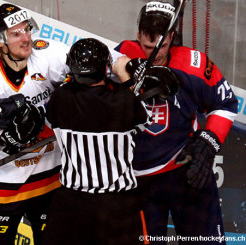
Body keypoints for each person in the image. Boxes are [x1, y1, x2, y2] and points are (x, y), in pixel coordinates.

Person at [115, 1, 238, 244]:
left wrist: (209, 141)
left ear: (172, 36)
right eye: (148, 45)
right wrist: (119, 68)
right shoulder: (121, 54)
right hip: (138, 181)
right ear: (138, 34)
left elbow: (226, 103)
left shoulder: (194, 64)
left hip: (187, 171)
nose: (154, 53)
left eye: (162, 45)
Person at [39, 38, 180, 245]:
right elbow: (144, 120)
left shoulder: (60, 98)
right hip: (117, 206)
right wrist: (124, 74)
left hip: (70, 205)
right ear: (105, 69)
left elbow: (55, 115)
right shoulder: (123, 102)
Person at [0, 3, 70, 245]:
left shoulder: (47, 55)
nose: (26, 38)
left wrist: (126, 67)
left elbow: (89, 59)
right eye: (16, 34)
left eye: (27, 30)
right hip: (2, 186)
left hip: (50, 180)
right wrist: (3, 141)